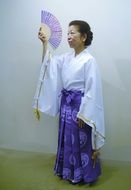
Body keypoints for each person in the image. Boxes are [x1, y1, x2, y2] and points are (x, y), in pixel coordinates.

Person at [33, 20, 105, 184]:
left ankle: (83, 174)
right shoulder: (66, 58)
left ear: (84, 37)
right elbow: (49, 65)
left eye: (73, 33)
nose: (69, 36)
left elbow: (91, 90)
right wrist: (45, 43)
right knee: (67, 138)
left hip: (80, 106)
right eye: (68, 33)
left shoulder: (89, 60)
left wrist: (84, 113)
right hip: (66, 104)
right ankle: (68, 172)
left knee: (80, 140)